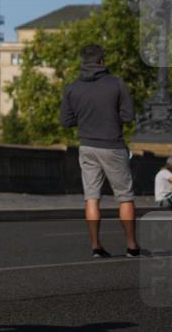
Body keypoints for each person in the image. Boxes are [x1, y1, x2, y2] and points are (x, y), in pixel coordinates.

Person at [60, 44, 139, 258]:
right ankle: (131, 245)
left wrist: (85, 119)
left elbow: (66, 121)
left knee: (92, 198)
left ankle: (96, 246)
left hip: (87, 146)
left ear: (83, 62)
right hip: (112, 145)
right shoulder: (116, 84)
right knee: (125, 197)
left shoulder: (72, 88)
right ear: (102, 61)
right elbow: (128, 116)